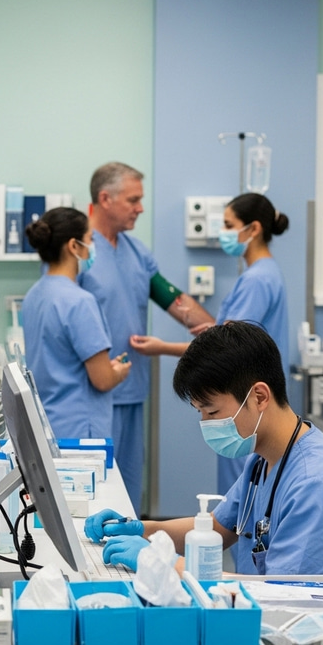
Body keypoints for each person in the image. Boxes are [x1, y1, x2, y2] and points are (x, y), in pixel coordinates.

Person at [84, 321, 323, 577]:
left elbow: (281, 595)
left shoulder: (315, 484)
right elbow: (218, 527)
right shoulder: (263, 460)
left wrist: (162, 562)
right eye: (200, 413)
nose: (206, 424)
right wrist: (143, 529)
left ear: (259, 396)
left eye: (213, 412)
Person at [131, 192, 290, 494]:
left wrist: (161, 347)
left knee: (245, 492)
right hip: (248, 395)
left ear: (254, 229)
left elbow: (230, 351)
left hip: (243, 398)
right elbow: (240, 334)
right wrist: (216, 329)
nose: (223, 232)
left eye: (229, 225)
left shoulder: (256, 280)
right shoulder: (265, 272)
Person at [78, 162, 213, 513]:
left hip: (132, 390)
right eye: (133, 200)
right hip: (91, 396)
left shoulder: (136, 252)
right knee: (93, 498)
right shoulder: (79, 252)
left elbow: (173, 299)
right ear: (105, 199)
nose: (140, 208)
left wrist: (218, 332)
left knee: (127, 493)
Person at [21, 207, 131, 439]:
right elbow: (102, 380)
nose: (93, 246)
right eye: (90, 239)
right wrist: (118, 373)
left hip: (46, 425)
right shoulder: (80, 302)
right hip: (79, 431)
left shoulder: (33, 295)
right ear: (73, 246)